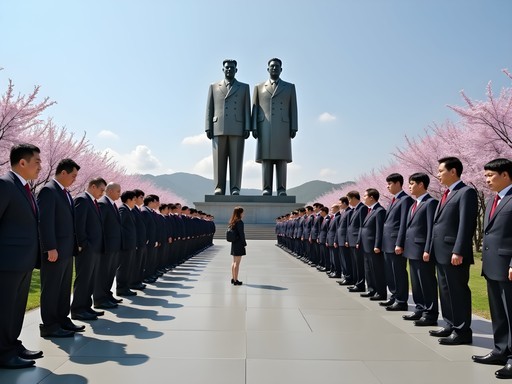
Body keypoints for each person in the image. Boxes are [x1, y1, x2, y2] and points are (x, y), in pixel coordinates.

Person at [0, 144, 42, 369]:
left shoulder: (26, 188)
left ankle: (12, 345)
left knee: (16, 308)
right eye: (37, 162)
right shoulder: (5, 185)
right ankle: (3, 353)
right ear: (22, 162)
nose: (41, 167)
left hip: (24, 261)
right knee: (5, 308)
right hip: (7, 261)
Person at [428, 157, 478, 345]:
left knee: (457, 292)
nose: (438, 174)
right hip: (441, 252)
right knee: (446, 291)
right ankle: (450, 324)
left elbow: (466, 224)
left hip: (454, 253)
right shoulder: (447, 194)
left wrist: (459, 250)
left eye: (441, 171)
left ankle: (462, 331)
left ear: (453, 171)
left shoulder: (466, 192)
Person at [472, 158, 512, 380]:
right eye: (485, 175)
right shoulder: (491, 200)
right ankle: (500, 350)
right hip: (492, 265)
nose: (486, 180)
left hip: (507, 265)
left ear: (505, 175)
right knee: (498, 312)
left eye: (490, 176)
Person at [37, 158, 83, 338]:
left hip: (66, 250)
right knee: (52, 288)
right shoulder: (49, 190)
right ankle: (49, 325)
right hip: (55, 250)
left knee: (64, 287)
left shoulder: (65, 193)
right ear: (63, 172)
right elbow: (45, 221)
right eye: (73, 175)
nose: (75, 179)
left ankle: (62, 319)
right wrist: (50, 247)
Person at [252, 58, 298, 196]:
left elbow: (293, 108)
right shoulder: (259, 87)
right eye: (272, 66)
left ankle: (281, 189)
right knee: (266, 158)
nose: (274, 68)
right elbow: (254, 108)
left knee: (281, 158)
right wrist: (254, 126)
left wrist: (294, 127)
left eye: (277, 66)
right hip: (264, 127)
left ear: (281, 69)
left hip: (283, 127)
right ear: (268, 69)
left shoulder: (289, 87)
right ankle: (266, 188)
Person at [205, 59, 251, 195]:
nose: (229, 70)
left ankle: (235, 187)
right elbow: (209, 107)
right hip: (218, 127)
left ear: (236, 70)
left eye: (232, 68)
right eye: (227, 68)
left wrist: (247, 126)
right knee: (219, 161)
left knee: (236, 160)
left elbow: (246, 108)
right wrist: (208, 127)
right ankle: (219, 187)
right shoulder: (214, 86)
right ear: (223, 69)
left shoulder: (243, 87)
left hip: (237, 127)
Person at [400, 173, 439, 326]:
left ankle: (430, 313)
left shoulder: (430, 203)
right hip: (412, 249)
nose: (409, 187)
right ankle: (420, 308)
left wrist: (428, 249)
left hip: (422, 249)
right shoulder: (413, 204)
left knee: (426, 282)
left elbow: (431, 229)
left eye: (411, 183)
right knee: (416, 282)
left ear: (421, 184)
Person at [71, 177, 106, 321]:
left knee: (90, 279)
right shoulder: (82, 200)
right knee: (84, 279)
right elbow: (79, 224)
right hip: (87, 248)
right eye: (101, 190)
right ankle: (78, 309)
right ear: (92, 186)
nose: (102, 193)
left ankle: (86, 307)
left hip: (95, 248)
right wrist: (84, 244)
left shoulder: (92, 202)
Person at [381, 173, 414, 311]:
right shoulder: (393, 200)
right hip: (387, 242)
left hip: (395, 242)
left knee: (398, 272)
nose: (387, 186)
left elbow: (403, 224)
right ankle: (394, 296)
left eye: (390, 183)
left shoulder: (405, 200)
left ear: (398, 184)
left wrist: (399, 243)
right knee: (390, 272)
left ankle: (401, 300)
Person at [94, 182, 122, 309]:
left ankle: (107, 294)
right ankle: (100, 299)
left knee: (110, 272)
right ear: (110, 191)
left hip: (114, 245)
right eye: (117, 191)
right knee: (103, 273)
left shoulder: (112, 204)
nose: (119, 194)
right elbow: (101, 226)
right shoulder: (103, 203)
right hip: (107, 246)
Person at [357, 188, 386, 301]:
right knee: (368, 269)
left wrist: (377, 245)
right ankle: (371, 289)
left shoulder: (379, 211)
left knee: (377, 270)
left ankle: (380, 292)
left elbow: (380, 230)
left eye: (365, 196)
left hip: (374, 246)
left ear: (371, 197)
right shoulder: (370, 211)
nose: (363, 198)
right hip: (366, 245)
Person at [228, 206, 247, 285]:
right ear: (240, 213)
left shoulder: (233, 221)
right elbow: (241, 234)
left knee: (234, 261)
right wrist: (244, 242)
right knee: (237, 263)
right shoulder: (239, 222)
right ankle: (236, 280)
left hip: (234, 243)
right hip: (239, 243)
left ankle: (233, 278)